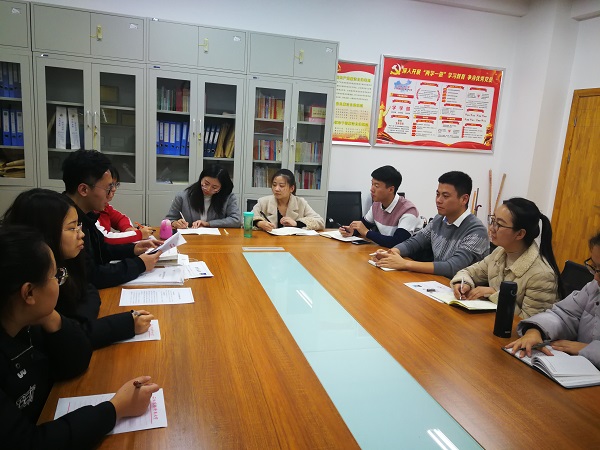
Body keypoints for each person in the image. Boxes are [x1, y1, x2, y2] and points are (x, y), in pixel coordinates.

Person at [0, 226, 160, 449]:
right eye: (55, 276)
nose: (60, 281)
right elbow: (28, 444)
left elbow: (75, 362)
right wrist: (115, 409)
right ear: (29, 293)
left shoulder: (27, 322)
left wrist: (51, 316)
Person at [3, 189, 154, 348]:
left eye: (78, 226)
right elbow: (64, 343)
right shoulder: (36, 288)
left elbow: (89, 288)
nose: (81, 234)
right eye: (71, 228)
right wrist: (81, 327)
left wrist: (77, 325)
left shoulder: (66, 262)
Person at [61, 149, 161, 289]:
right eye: (108, 188)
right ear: (83, 190)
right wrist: (139, 264)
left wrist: (134, 249)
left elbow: (102, 249)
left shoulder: (85, 214)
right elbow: (91, 276)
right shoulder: (65, 222)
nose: (110, 194)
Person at [450, 197, 562, 318]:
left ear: (520, 234)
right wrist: (463, 284)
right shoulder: (500, 252)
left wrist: (496, 295)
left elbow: (530, 322)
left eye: (499, 224)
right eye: (493, 220)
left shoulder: (541, 275)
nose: (491, 228)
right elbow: (469, 272)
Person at [506, 232, 600, 368]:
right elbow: (563, 314)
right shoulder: (593, 288)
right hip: (579, 369)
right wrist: (536, 330)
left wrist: (587, 350)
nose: (596, 277)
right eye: (594, 267)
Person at [372, 171, 489, 278]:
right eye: (437, 194)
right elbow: (416, 241)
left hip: (462, 289)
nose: (438, 200)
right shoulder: (439, 219)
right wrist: (392, 252)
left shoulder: (477, 231)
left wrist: (405, 264)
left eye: (445, 196)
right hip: (438, 282)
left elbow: (453, 267)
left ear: (464, 199)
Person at [339, 165, 421, 247]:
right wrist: (352, 231)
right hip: (387, 251)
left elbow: (398, 242)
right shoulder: (377, 204)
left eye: (376, 186)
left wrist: (366, 232)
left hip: (410, 254)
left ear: (391, 189)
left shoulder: (409, 211)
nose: (371, 189)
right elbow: (364, 225)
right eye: (372, 184)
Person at [167, 164, 241, 229]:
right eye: (206, 183)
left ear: (221, 188)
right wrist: (175, 223)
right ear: (201, 179)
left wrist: (208, 224)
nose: (208, 189)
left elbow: (236, 220)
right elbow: (168, 220)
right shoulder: (183, 196)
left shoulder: (228, 197)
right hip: (190, 238)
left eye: (214, 187)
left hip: (218, 238)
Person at [96, 166, 154, 244]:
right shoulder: (89, 213)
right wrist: (139, 234)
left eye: (115, 185)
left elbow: (121, 218)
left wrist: (127, 228)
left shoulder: (104, 207)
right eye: (109, 185)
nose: (114, 189)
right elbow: (105, 238)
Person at [252, 169, 325, 231]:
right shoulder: (263, 202)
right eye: (274, 185)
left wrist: (297, 223)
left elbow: (320, 221)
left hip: (293, 242)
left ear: (292, 188)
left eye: (281, 186)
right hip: (268, 241)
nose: (276, 189)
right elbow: (248, 219)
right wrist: (259, 223)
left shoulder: (301, 203)